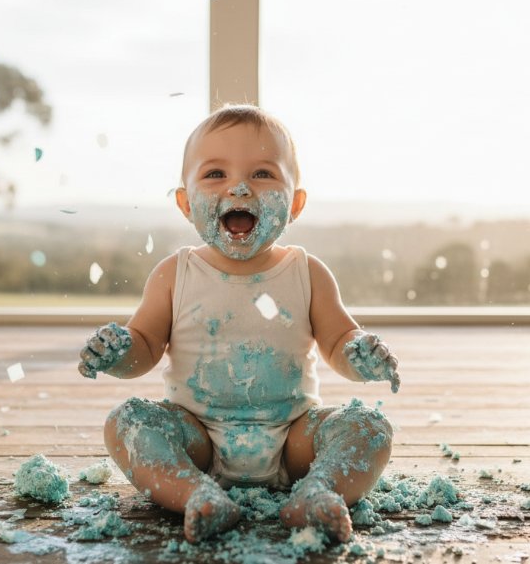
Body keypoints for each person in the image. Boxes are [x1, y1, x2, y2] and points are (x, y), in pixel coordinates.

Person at [77, 104, 400, 544]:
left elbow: (338, 340)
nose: (241, 187)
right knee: (126, 423)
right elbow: (146, 346)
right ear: (186, 203)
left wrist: (359, 354)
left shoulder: (308, 272)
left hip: (293, 439)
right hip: (196, 438)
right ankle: (197, 494)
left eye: (264, 174)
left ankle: (317, 491)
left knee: (369, 428)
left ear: (296, 203)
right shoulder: (176, 274)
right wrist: (118, 353)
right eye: (215, 175)